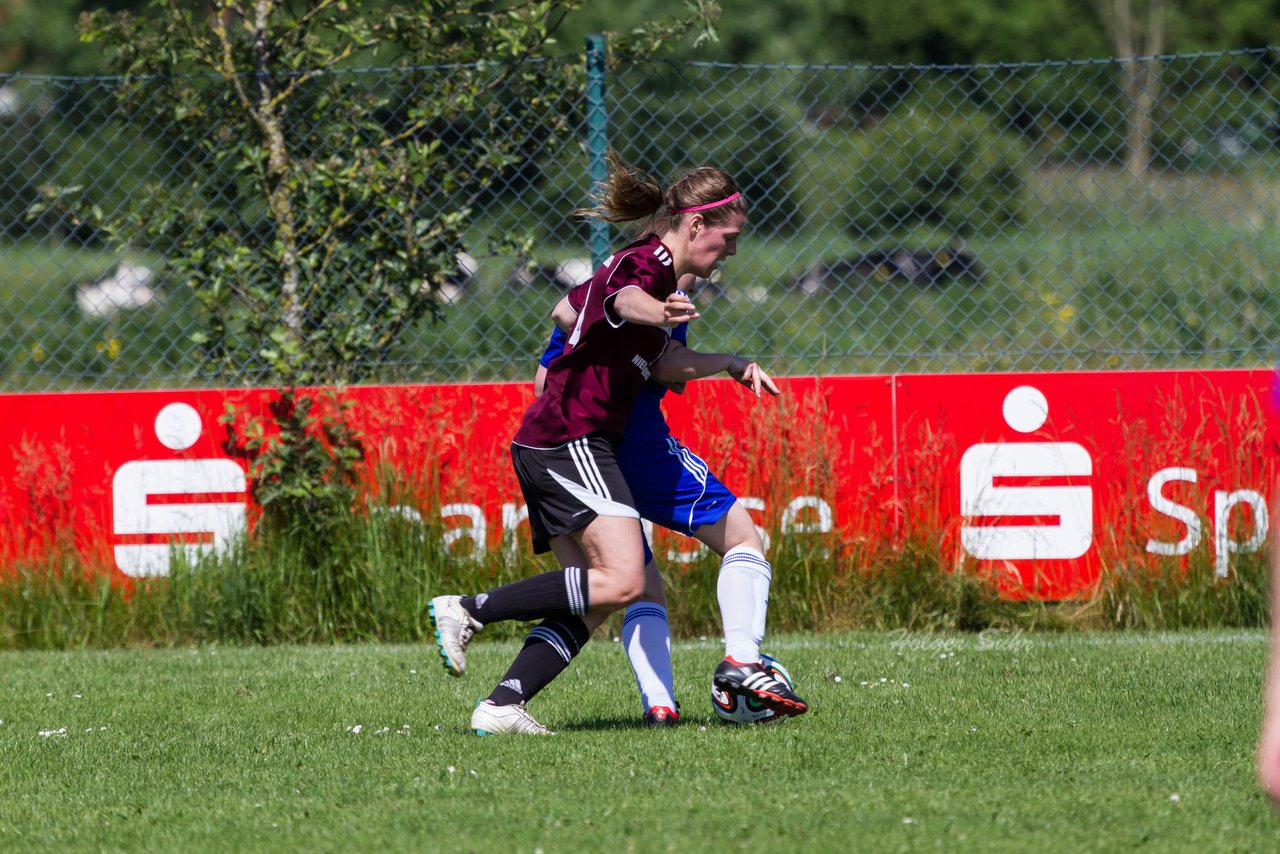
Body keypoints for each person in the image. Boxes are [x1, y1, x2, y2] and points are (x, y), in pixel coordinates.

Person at [428, 151, 806, 734]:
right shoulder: (648, 264)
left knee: (599, 593)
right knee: (632, 579)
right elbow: (625, 301)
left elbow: (580, 316)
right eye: (727, 237)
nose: (732, 250)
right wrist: (656, 311)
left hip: (564, 437)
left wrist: (729, 362)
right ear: (696, 225)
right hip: (573, 438)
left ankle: (502, 706)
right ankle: (469, 609)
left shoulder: (645, 269)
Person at [533, 273, 803, 728]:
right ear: (692, 231)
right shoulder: (659, 288)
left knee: (637, 583)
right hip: (637, 443)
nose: (723, 262)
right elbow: (666, 366)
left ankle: (659, 706)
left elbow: (543, 382)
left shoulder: (605, 280)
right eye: (721, 246)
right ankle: (743, 661)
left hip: (573, 448)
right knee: (742, 540)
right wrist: (729, 363)